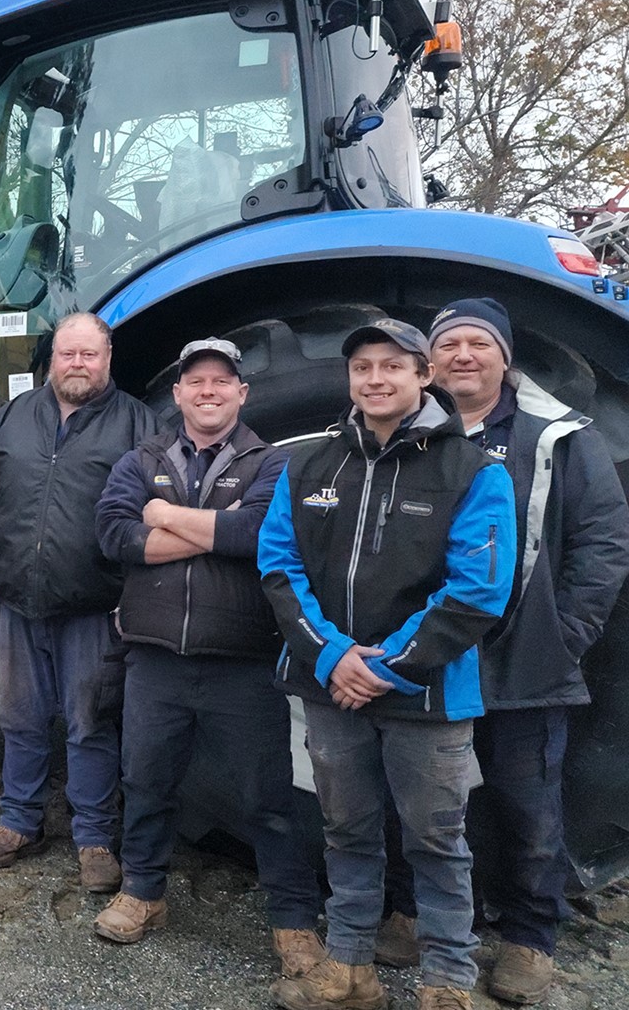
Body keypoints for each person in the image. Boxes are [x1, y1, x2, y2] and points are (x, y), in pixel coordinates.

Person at [372, 301, 629, 1005]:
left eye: (477, 343)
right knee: (417, 799)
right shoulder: (407, 436)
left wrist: (564, 632)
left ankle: (527, 937)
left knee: (526, 807)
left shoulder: (558, 439)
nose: (462, 355)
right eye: (447, 343)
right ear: (428, 363)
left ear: (503, 357)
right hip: (428, 660)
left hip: (524, 659)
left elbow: (603, 545)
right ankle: (411, 911)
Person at [259, 318, 516, 1010]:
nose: (375, 379)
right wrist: (335, 657)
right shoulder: (308, 465)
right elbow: (279, 566)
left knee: (436, 841)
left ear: (423, 375)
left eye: (392, 366)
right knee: (346, 831)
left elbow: (478, 590)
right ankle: (349, 969)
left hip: (427, 694)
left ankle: (447, 981)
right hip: (330, 688)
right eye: (362, 367)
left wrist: (389, 666)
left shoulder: (474, 471)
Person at [91, 337, 324, 980]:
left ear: (241, 393)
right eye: (196, 382)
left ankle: (294, 921)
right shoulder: (141, 459)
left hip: (242, 663)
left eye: (222, 381)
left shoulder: (272, 464)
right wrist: (208, 531)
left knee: (268, 799)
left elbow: (256, 536)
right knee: (145, 783)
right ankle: (142, 893)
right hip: (155, 658)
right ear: (178, 393)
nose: (208, 391)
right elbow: (114, 534)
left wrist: (165, 514)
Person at [0, 312, 157, 887]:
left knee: (90, 722)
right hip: (15, 602)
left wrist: (132, 595)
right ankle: (19, 822)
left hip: (95, 608)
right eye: (67, 354)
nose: (76, 365)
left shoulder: (137, 426)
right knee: (19, 716)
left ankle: (93, 837)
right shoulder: (15, 416)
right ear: (50, 360)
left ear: (108, 359)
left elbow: (150, 520)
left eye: (88, 355)